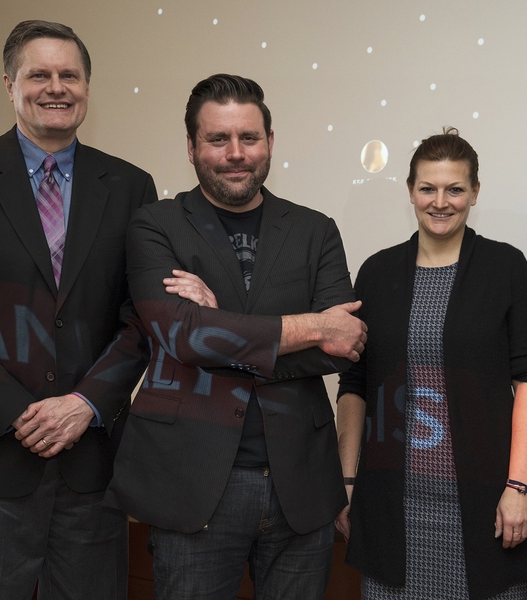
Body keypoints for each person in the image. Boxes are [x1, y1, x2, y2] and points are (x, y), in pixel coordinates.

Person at [0, 19, 157, 600]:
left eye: (70, 75)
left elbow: (140, 318)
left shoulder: (130, 185)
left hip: (90, 463)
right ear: (9, 85)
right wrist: (22, 414)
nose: (56, 87)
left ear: (87, 87)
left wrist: (84, 404)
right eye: (38, 74)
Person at [104, 73, 368, 599]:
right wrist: (311, 327)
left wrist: (218, 324)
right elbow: (182, 339)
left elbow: (342, 351)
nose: (235, 154)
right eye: (217, 139)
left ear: (270, 142)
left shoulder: (317, 230)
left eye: (249, 138)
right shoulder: (154, 226)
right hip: (191, 482)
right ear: (191, 146)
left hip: (301, 484)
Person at [335, 128, 527, 600]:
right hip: (390, 505)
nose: (441, 202)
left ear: (475, 192)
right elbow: (354, 382)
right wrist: (346, 477)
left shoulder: (506, 268)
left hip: (485, 502)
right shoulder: (376, 272)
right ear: (410, 191)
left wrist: (520, 485)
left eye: (455, 189)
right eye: (427, 189)